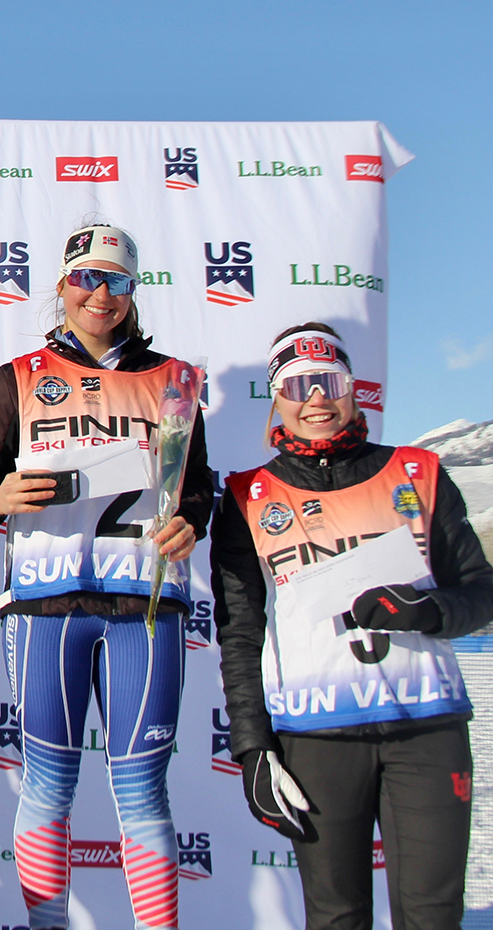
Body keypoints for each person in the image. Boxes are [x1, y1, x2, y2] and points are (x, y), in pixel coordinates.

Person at [0, 224, 210, 930]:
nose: (101, 294)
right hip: (47, 603)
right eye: (86, 278)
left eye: (117, 281)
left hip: (146, 605)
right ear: (62, 287)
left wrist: (192, 518)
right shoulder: (19, 377)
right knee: (48, 782)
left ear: (133, 292)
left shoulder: (175, 381)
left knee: (141, 788)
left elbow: (197, 488)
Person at [213, 323, 493, 930]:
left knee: (431, 915)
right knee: (336, 917)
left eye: (330, 381)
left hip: (426, 729)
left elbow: (480, 589)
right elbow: (240, 635)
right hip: (315, 740)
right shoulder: (245, 497)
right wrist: (253, 745)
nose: (317, 398)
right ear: (278, 399)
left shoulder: (418, 472)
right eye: (298, 384)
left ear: (353, 390)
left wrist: (430, 611)